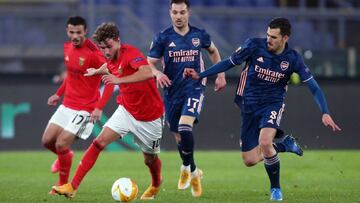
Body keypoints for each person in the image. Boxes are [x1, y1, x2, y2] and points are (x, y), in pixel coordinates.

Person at [184, 17, 341, 201]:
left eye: (274, 37)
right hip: (249, 104)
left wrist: (325, 112)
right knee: (249, 160)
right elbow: (228, 63)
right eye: (268, 35)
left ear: (285, 38)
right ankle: (284, 145)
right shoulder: (253, 46)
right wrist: (200, 75)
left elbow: (314, 87)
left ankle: (276, 189)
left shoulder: (293, 59)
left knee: (265, 142)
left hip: (272, 104)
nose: (269, 40)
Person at [52, 22, 165, 200]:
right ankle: (72, 187)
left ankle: (156, 183)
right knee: (99, 142)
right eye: (102, 48)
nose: (106, 51)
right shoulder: (109, 57)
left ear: (118, 41)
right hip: (126, 110)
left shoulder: (131, 53)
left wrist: (119, 80)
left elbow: (146, 73)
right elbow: (108, 66)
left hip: (149, 116)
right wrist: (96, 71)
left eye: (109, 46)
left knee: (149, 160)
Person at [147, 0, 226, 197]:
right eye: (175, 12)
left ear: (189, 13)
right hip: (172, 92)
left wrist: (221, 74)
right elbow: (149, 63)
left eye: (182, 12)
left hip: (194, 88)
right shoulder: (163, 37)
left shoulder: (199, 35)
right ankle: (190, 167)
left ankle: (191, 172)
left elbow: (214, 51)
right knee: (178, 136)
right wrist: (157, 74)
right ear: (170, 13)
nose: (179, 16)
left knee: (184, 127)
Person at [41, 16, 114, 195]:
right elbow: (72, 77)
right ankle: (66, 156)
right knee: (47, 141)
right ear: (67, 31)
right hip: (67, 105)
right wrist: (58, 94)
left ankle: (62, 185)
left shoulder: (94, 53)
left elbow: (110, 82)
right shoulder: (67, 48)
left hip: (86, 108)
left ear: (85, 31)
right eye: (71, 32)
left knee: (60, 144)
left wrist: (99, 107)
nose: (75, 36)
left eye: (78, 33)